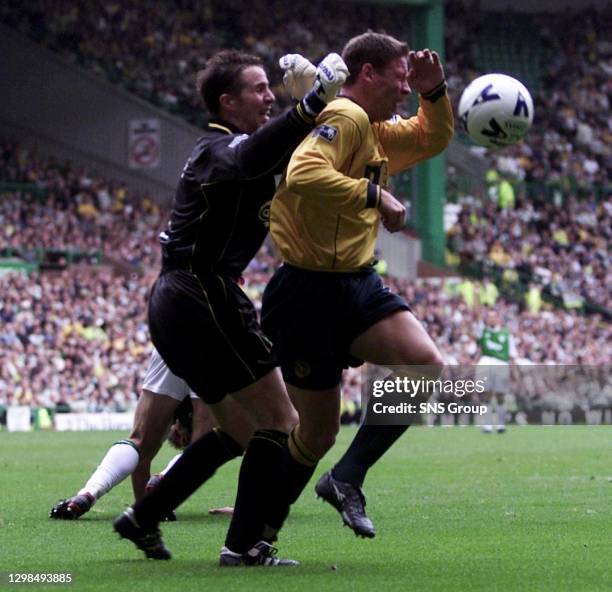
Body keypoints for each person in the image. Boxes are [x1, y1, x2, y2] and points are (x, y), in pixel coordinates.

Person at [112, 49, 348, 566]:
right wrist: (310, 101)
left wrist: (319, 94)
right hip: (203, 294)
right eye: (258, 89)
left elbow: (307, 146)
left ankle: (144, 517)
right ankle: (243, 548)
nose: (269, 96)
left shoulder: (248, 148)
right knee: (283, 422)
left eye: (271, 88)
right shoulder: (215, 149)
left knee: (240, 431)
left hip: (181, 300)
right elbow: (250, 156)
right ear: (227, 101)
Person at [263, 32, 454, 538]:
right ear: (367, 74)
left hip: (354, 280)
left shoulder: (373, 129)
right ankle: (256, 534)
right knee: (316, 433)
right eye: (400, 79)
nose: (404, 89)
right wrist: (376, 195)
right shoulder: (344, 117)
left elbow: (430, 139)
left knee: (423, 364)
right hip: (305, 290)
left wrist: (434, 95)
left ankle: (347, 478)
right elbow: (303, 174)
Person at [49, 348, 239, 520]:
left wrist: (144, 506)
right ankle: (165, 477)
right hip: (214, 340)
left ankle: (88, 493)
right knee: (203, 445)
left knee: (139, 442)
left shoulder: (174, 419)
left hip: (172, 333)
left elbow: (141, 460)